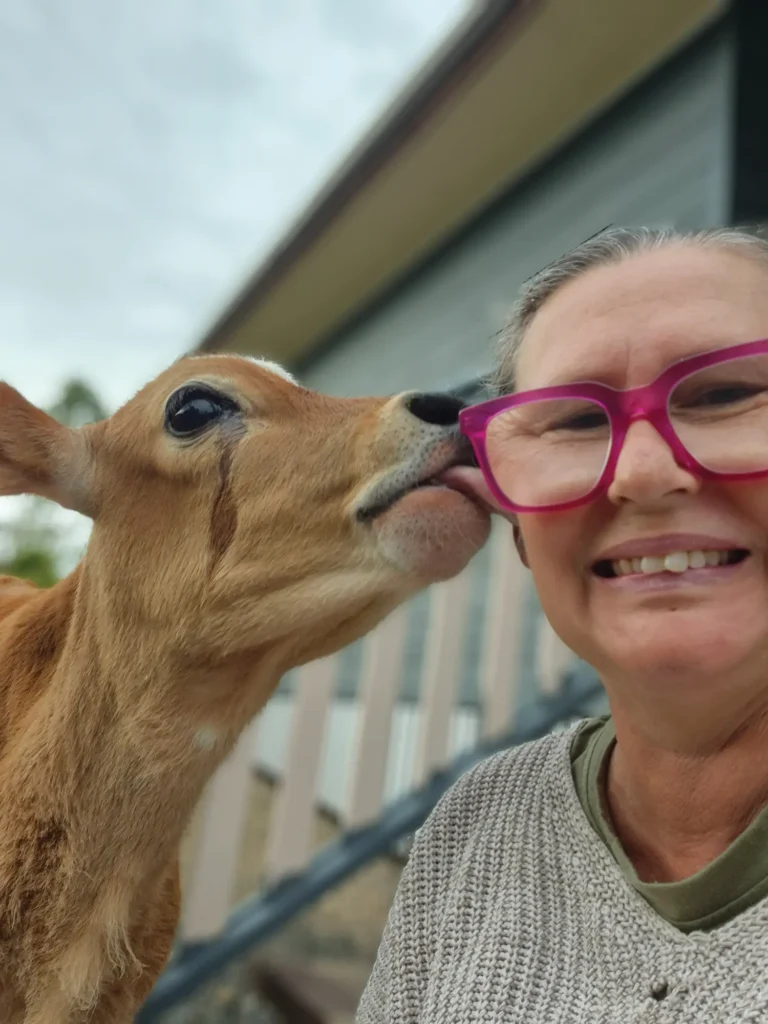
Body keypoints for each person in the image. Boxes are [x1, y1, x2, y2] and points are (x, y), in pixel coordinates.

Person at [357, 225, 768, 1023]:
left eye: (725, 394)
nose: (645, 473)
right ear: (517, 527)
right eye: (574, 423)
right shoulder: (479, 822)